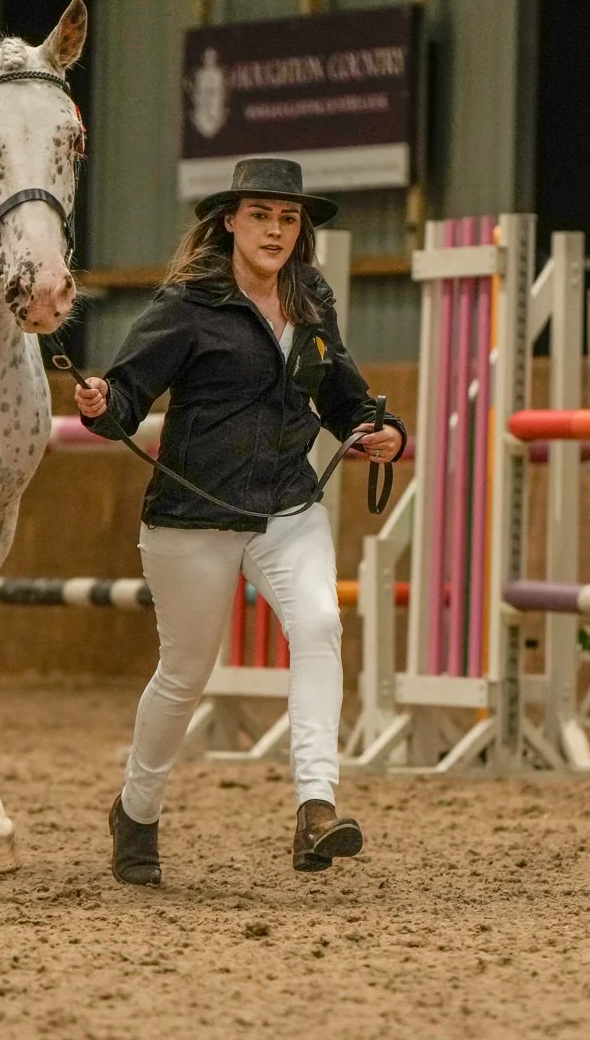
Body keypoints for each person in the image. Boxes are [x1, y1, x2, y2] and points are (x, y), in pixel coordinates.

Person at [74, 157, 405, 885]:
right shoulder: (189, 302)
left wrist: (381, 431)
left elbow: (341, 392)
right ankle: (138, 808)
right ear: (229, 220)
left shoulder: (312, 297)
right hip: (194, 514)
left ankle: (317, 806)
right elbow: (128, 394)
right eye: (261, 215)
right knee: (184, 674)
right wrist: (102, 404)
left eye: (289, 219)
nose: (276, 230)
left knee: (319, 623)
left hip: (287, 505)